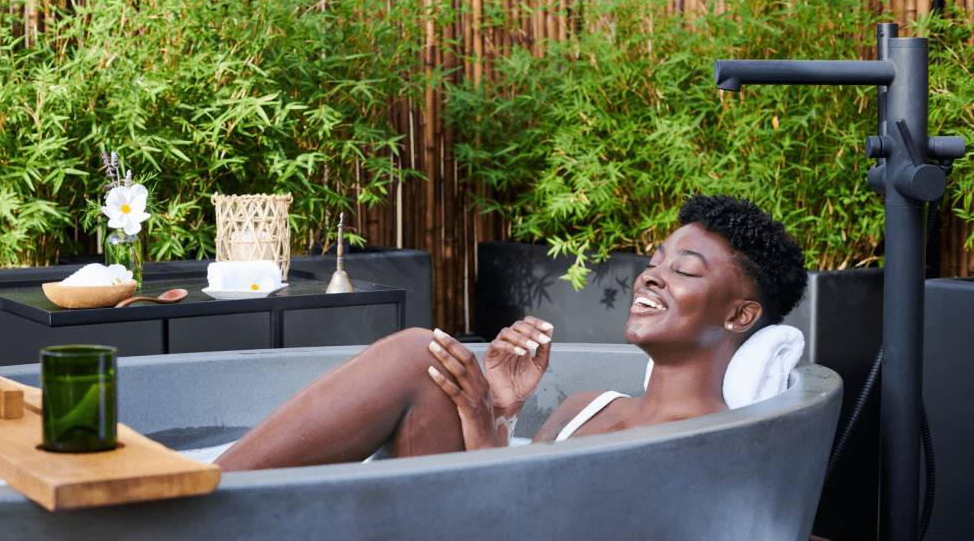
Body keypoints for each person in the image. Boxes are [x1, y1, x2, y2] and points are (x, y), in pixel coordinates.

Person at [214, 194, 807, 471]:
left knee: (419, 352)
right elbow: (505, 501)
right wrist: (494, 412)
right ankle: (200, 494)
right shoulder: (587, 408)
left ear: (739, 317)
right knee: (427, 361)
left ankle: (193, 499)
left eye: (683, 270)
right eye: (655, 259)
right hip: (471, 521)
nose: (652, 275)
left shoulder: (711, 445)